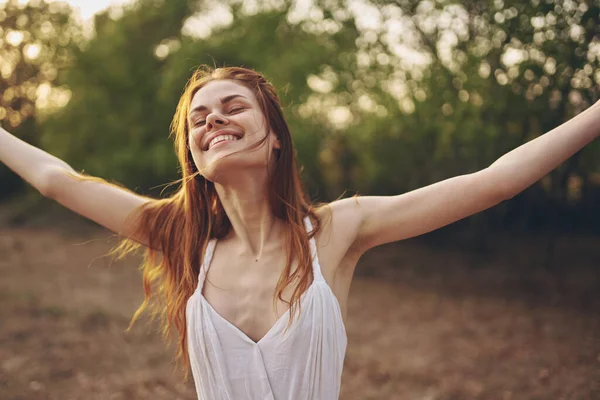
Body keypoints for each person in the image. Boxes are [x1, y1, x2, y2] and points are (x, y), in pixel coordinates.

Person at [1, 65, 598, 399]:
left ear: (275, 133)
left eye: (232, 107)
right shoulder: (181, 236)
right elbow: (58, 179)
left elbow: (495, 181)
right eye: (198, 118)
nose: (213, 120)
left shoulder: (338, 230)